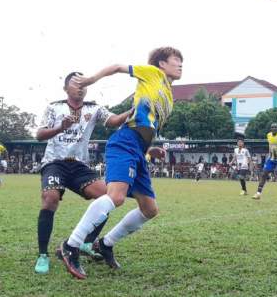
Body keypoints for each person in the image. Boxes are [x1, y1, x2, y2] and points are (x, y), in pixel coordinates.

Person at [57, 47, 182, 280]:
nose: (180, 64)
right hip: (124, 142)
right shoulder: (153, 73)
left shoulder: (167, 93)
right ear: (161, 64)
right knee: (116, 197)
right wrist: (91, 80)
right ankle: (71, 245)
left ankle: (104, 244)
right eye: (176, 60)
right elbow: (116, 67)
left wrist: (148, 150)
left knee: (149, 209)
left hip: (138, 149)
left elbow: (147, 125)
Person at [33, 72, 132, 274]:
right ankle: (43, 255)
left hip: (79, 165)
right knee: (50, 198)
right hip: (55, 162)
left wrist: (133, 110)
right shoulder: (54, 107)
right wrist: (61, 127)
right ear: (65, 88)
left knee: (108, 197)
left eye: (84, 83)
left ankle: (87, 243)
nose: (81, 87)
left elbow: (114, 120)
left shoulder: (93, 109)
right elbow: (40, 135)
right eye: (76, 83)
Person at [252, 123, 277, 202]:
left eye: (275, 127)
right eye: (272, 127)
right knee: (264, 174)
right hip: (271, 159)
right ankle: (258, 194)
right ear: (271, 129)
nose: (274, 128)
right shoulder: (268, 135)